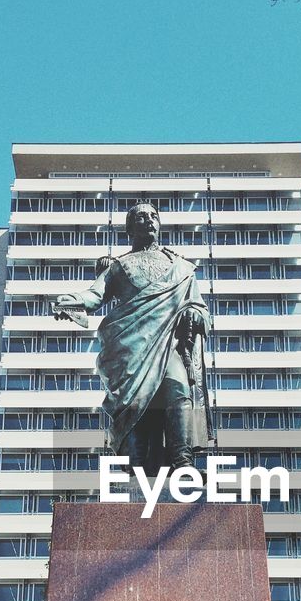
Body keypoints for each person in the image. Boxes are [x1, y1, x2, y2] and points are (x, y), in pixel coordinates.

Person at [54, 201, 213, 472]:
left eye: (153, 216)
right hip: (130, 347)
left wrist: (197, 315)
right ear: (129, 228)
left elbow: (199, 306)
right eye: (140, 217)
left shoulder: (182, 268)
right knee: (134, 402)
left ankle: (182, 462)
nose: (149, 220)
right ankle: (136, 467)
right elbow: (94, 296)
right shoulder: (119, 265)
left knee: (178, 390)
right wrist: (72, 300)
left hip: (168, 344)